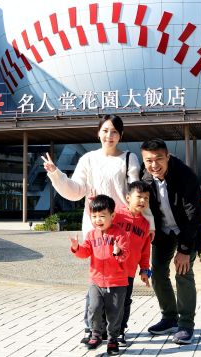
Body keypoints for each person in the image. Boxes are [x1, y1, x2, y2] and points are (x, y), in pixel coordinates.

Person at [42, 114, 155, 342]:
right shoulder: (88, 159)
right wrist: (55, 173)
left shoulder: (129, 158)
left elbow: (136, 193)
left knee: (121, 283)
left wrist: (148, 221)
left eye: (114, 131)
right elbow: (75, 190)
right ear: (98, 133)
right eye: (105, 130)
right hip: (97, 228)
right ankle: (93, 329)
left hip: (123, 230)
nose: (109, 136)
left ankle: (116, 330)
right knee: (97, 279)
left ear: (121, 135)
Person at [140, 138, 201, 345]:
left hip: (188, 229)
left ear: (168, 156)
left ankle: (186, 325)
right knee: (159, 272)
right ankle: (169, 317)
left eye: (159, 159)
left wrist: (185, 249)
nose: (154, 165)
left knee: (183, 271)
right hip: (163, 231)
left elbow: (193, 215)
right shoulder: (145, 178)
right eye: (149, 160)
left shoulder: (185, 175)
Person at [70, 194, 130, 356]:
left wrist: (118, 252)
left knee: (114, 312)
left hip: (117, 283)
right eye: (94, 216)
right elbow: (85, 252)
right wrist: (76, 247)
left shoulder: (120, 234)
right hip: (96, 281)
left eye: (102, 216)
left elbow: (125, 256)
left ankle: (112, 340)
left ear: (112, 215)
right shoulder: (91, 235)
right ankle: (96, 335)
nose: (98, 220)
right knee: (94, 307)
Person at [111, 180, 153, 344]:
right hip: (111, 269)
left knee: (125, 302)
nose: (143, 201)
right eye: (139, 197)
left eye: (146, 198)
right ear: (128, 197)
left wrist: (144, 270)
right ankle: (101, 330)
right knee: (106, 301)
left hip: (128, 272)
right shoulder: (116, 215)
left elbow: (145, 251)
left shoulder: (145, 224)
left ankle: (120, 330)